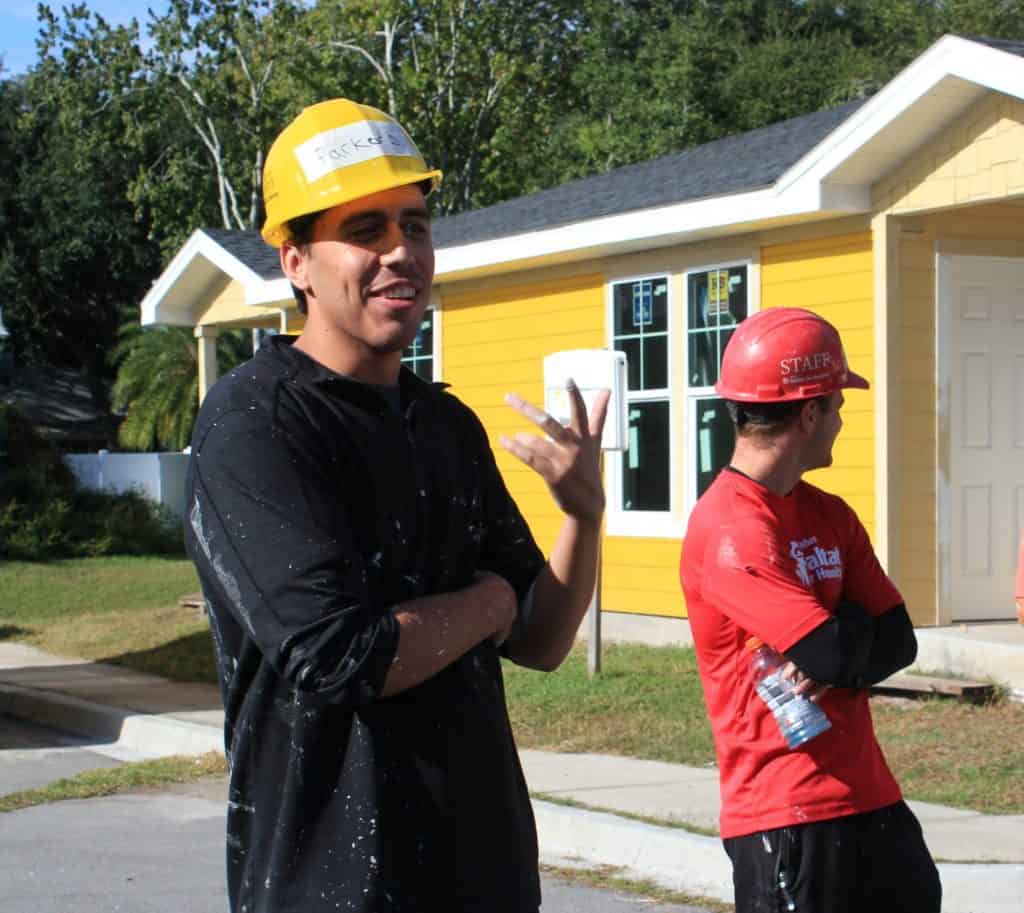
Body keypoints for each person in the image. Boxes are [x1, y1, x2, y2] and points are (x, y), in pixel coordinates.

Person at [183, 98, 609, 913]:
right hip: (332, 890)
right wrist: (487, 601)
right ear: (295, 259)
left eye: (414, 225)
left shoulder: (445, 425)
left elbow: (543, 636)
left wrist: (582, 517)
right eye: (365, 229)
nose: (401, 253)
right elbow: (342, 655)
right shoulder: (254, 426)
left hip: (484, 881)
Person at [679, 307, 941, 913]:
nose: (842, 421)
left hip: (871, 796)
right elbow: (832, 652)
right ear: (809, 411)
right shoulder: (731, 529)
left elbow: (898, 641)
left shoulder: (831, 514)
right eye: (837, 406)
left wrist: (840, 639)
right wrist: (846, 633)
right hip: (784, 813)